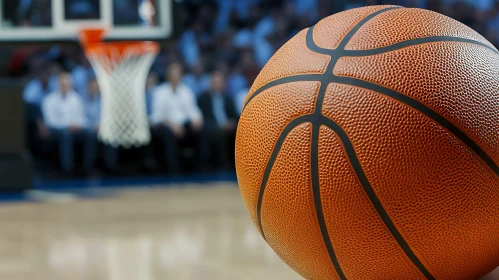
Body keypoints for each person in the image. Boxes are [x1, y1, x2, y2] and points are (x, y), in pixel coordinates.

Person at [151, 63, 203, 173]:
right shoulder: (160, 92)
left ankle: (201, 166)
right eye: (173, 74)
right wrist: (172, 125)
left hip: (183, 124)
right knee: (167, 133)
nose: (175, 77)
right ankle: (174, 168)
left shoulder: (186, 91)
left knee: (203, 129)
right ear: (168, 76)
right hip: (165, 125)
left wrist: (197, 120)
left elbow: (193, 110)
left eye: (178, 74)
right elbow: (157, 117)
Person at [41, 72, 96, 175]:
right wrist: (68, 125)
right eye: (63, 83)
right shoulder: (49, 100)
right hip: (56, 129)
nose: (65, 85)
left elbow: (82, 117)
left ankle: (87, 168)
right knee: (66, 134)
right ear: (58, 84)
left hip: (75, 127)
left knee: (90, 133)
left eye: (67, 83)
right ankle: (67, 169)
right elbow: (50, 121)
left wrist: (78, 125)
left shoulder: (76, 98)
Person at [197, 71, 238, 170]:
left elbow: (234, 115)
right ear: (210, 83)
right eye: (214, 82)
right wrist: (220, 125)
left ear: (223, 83)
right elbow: (203, 117)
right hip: (212, 126)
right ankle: (222, 166)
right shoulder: (203, 98)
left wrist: (231, 122)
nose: (216, 84)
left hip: (227, 126)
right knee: (217, 133)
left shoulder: (228, 98)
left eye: (219, 82)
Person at [84, 78, 119, 173]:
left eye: (96, 87)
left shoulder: (104, 100)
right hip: (85, 128)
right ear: (88, 87)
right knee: (90, 135)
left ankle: (110, 166)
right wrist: (91, 126)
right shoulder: (81, 100)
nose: (94, 88)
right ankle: (89, 167)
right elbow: (80, 118)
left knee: (111, 133)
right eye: (92, 86)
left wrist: (101, 125)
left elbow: (107, 116)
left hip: (100, 128)